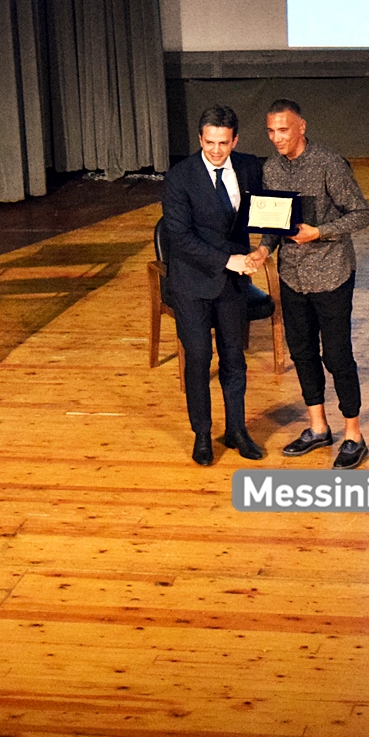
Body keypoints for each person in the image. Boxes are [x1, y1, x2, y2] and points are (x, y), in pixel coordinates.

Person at [259, 99, 369, 469]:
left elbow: (362, 214)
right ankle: (318, 427)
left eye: (283, 130)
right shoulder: (271, 168)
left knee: (337, 355)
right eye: (271, 131)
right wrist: (263, 250)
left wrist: (320, 232)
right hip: (292, 276)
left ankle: (353, 435)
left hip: (330, 274)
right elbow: (275, 223)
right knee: (302, 352)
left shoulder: (329, 164)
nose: (277, 138)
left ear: (302, 127)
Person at [160, 105, 268, 467]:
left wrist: (265, 248)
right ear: (200, 139)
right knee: (199, 359)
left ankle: (237, 430)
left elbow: (271, 209)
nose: (216, 150)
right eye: (209, 142)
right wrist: (228, 260)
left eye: (223, 143)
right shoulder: (180, 177)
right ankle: (203, 435)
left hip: (232, 285)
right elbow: (179, 237)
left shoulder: (250, 167)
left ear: (235, 140)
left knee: (234, 358)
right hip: (192, 283)